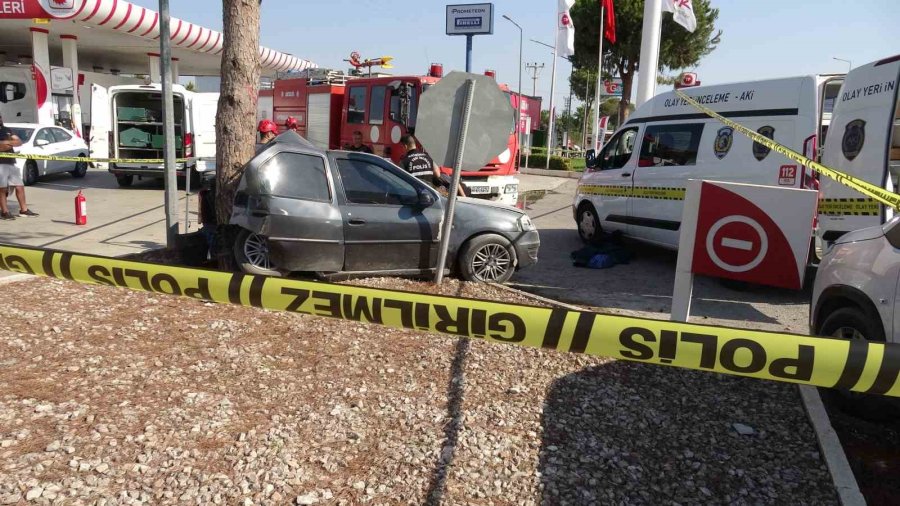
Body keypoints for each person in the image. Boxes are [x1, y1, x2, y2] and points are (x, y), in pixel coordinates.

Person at [400, 135, 466, 197]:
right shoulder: (428, 157)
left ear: (405, 146)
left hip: (414, 195)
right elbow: (437, 174)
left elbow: (400, 181)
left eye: (401, 147)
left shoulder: (404, 161)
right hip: (430, 195)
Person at [0, 114, 37, 220]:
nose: (0, 119)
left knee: (19, 186)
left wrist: (6, 143)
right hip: (0, 164)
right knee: (2, 189)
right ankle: (5, 212)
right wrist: (9, 144)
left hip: (11, 162)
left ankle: (24, 210)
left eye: (0, 117)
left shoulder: (7, 130)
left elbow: (19, 142)